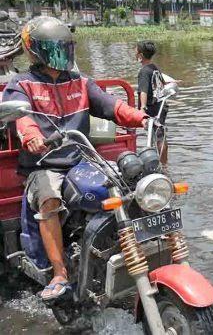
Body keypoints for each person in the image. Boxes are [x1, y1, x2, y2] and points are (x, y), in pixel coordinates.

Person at [2, 17, 148, 301]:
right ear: (36, 51)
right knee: (49, 199)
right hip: (44, 164)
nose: (61, 54)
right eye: (54, 48)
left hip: (82, 159)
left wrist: (142, 117)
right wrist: (31, 136)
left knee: (126, 187)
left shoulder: (81, 83)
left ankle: (124, 248)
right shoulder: (22, 84)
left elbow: (112, 106)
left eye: (64, 47)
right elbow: (23, 119)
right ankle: (59, 273)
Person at [136, 41, 169, 163]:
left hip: (153, 108)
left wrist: (142, 108)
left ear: (141, 55)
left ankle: (162, 165)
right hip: (161, 106)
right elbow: (162, 84)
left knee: (158, 137)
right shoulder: (154, 68)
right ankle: (163, 163)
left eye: (136, 51)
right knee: (160, 136)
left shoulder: (144, 71)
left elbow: (143, 90)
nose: (135, 53)